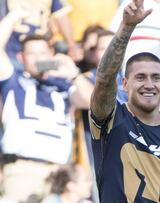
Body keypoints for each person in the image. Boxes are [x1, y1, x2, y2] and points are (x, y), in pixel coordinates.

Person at [89, 0, 160, 202]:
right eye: (140, 77)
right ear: (125, 84)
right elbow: (105, 79)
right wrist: (127, 28)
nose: (149, 84)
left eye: (156, 77)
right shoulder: (111, 119)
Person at [0, 10, 92, 202]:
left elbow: (94, 102)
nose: (38, 58)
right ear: (20, 58)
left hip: (59, 175)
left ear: (51, 54)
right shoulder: (12, 81)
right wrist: (12, 18)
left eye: (42, 53)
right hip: (22, 171)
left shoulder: (64, 85)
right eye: (31, 54)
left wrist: (74, 74)